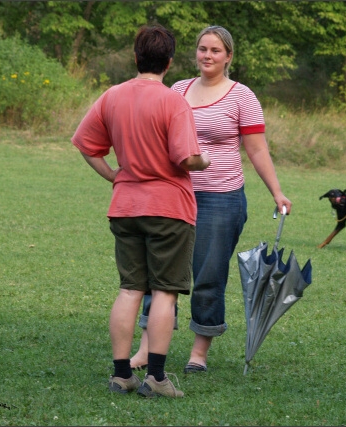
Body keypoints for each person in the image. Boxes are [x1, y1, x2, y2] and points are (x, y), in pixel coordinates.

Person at [130, 25, 292, 374]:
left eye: (216, 51)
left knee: (207, 276)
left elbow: (257, 148)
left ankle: (198, 352)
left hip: (221, 199)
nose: (207, 56)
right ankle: (146, 348)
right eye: (203, 49)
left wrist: (276, 191)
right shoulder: (177, 89)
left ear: (228, 56)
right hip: (175, 195)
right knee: (160, 273)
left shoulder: (242, 96)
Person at [71, 24, 210, 398]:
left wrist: (115, 176)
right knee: (165, 292)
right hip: (169, 209)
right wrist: (205, 159)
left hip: (126, 206)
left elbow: (85, 144)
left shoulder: (112, 96)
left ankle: (121, 375)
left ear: (135, 58)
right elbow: (186, 157)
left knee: (130, 289)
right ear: (168, 63)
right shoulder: (173, 101)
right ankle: (157, 378)